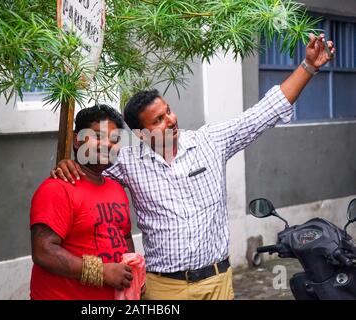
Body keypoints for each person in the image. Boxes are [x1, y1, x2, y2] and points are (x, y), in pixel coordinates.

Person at [51, 34, 336, 300]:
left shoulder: (210, 141)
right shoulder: (127, 161)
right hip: (165, 287)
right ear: (141, 134)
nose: (171, 120)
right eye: (158, 120)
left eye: (168, 111)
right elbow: (89, 173)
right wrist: (68, 162)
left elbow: (264, 112)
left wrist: (308, 66)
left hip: (217, 282)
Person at [30, 105, 140, 300]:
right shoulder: (58, 188)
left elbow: (125, 237)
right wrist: (101, 272)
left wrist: (132, 275)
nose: (107, 144)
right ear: (76, 140)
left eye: (114, 140)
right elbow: (43, 251)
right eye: (98, 136)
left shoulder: (115, 188)